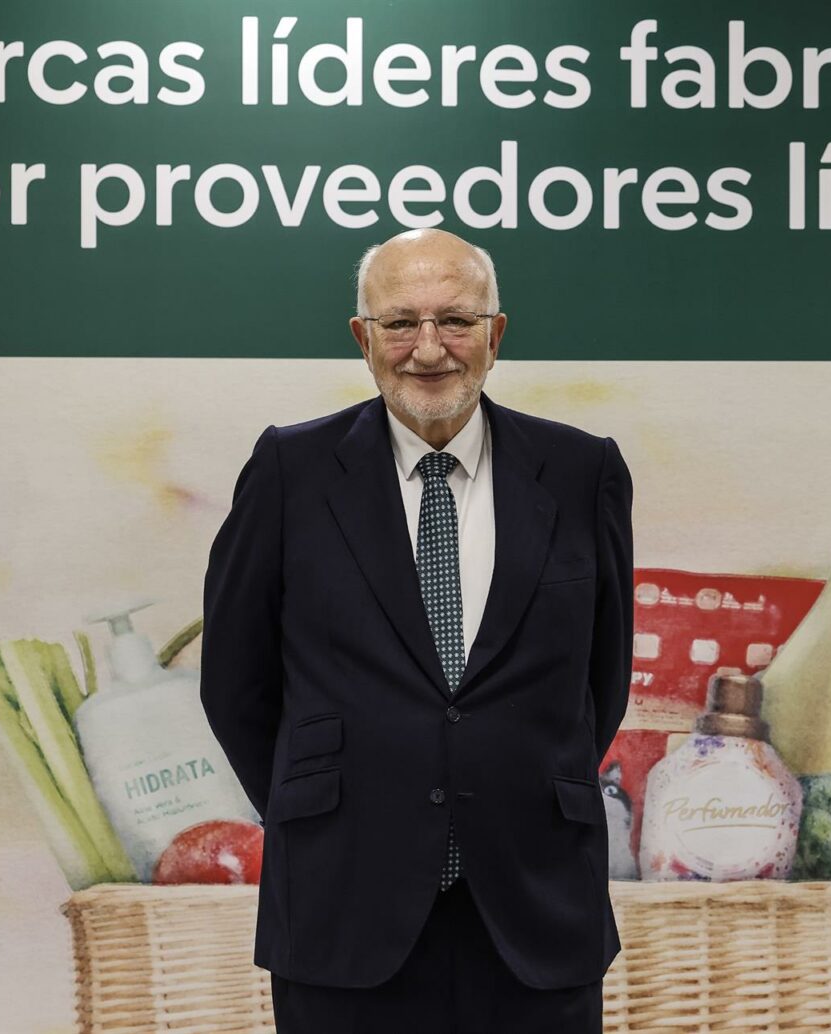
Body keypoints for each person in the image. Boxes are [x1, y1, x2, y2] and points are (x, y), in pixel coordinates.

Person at [201, 227, 635, 1034]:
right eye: (400, 323)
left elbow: (600, 682)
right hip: (343, 905)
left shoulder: (583, 472)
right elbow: (235, 684)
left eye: (456, 321)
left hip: (536, 906)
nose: (428, 349)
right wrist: (330, 804)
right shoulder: (291, 471)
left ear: (496, 335)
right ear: (362, 338)